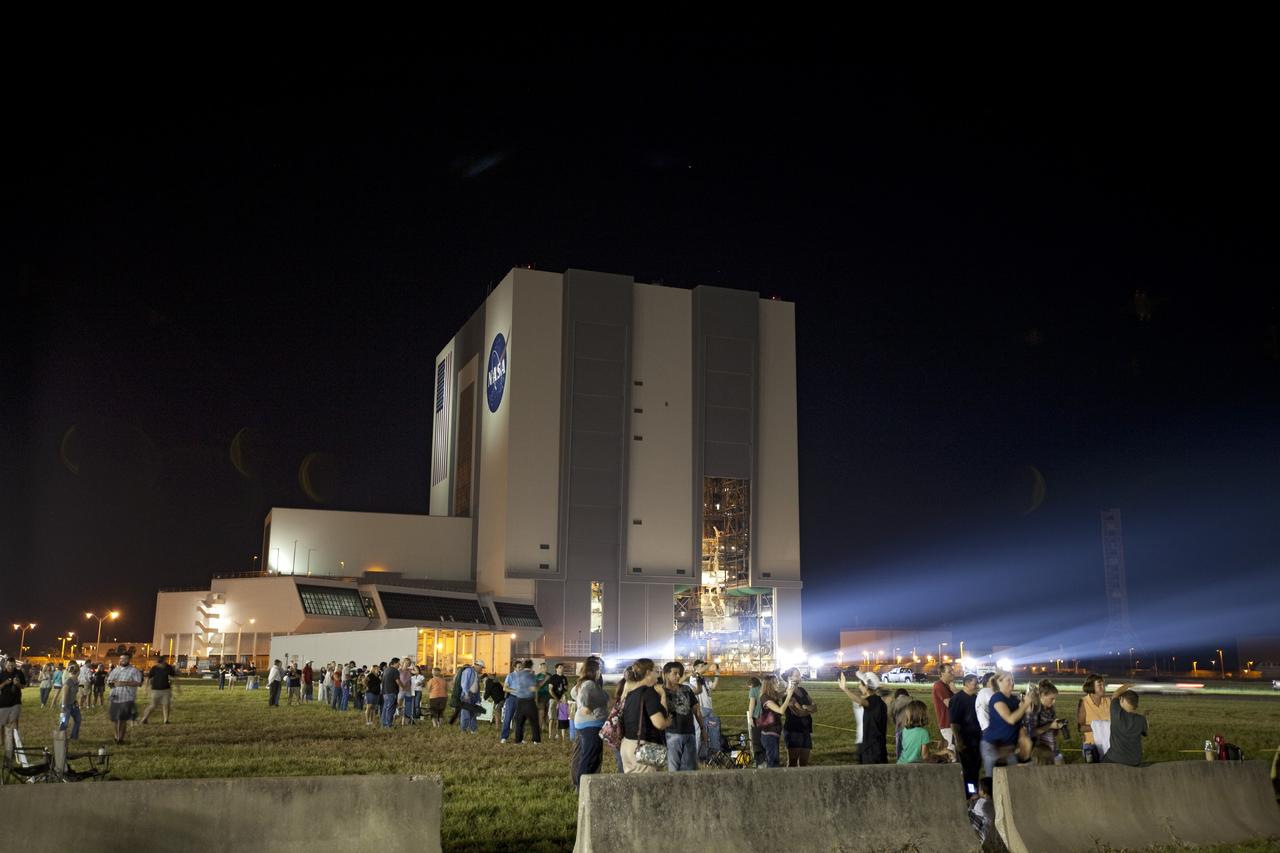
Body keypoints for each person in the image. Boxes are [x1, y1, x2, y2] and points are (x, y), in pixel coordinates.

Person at [619, 659, 668, 773]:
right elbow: (659, 723)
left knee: (632, 786)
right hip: (643, 747)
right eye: (656, 671)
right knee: (647, 788)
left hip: (627, 745)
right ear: (647, 673)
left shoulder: (630, 693)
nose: (658, 674)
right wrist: (663, 696)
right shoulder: (649, 693)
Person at [981, 672, 1030, 778]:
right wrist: (1025, 705)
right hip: (993, 746)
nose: (1012, 683)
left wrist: (1029, 701)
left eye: (1013, 680)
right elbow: (1010, 719)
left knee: (1012, 779)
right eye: (1008, 680)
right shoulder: (997, 698)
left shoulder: (1014, 699)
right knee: (993, 779)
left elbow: (1026, 713)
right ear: (999, 682)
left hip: (1008, 748)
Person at [572, 657, 608, 788]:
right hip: (590, 724)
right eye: (599, 669)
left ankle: (584, 784)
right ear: (594, 670)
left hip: (588, 724)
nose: (600, 672)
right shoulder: (589, 684)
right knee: (589, 756)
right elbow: (583, 696)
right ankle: (581, 786)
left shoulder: (584, 683)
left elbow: (573, 693)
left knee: (589, 754)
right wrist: (585, 706)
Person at [838, 670, 887, 764]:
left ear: (867, 686)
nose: (859, 685)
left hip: (873, 748)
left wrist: (845, 689)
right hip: (872, 746)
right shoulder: (879, 701)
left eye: (860, 683)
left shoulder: (874, 701)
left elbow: (861, 702)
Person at [661, 661, 702, 771]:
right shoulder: (661, 691)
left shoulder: (686, 689)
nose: (678, 676)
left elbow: (696, 709)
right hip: (671, 734)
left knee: (691, 769)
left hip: (689, 733)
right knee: (674, 770)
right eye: (675, 673)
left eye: (680, 673)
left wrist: (703, 729)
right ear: (666, 674)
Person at [949, 674, 983, 797]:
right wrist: (959, 741)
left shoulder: (975, 698)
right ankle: (969, 793)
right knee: (968, 770)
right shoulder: (957, 699)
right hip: (964, 741)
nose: (977, 686)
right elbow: (954, 723)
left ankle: (973, 792)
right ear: (967, 683)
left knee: (975, 768)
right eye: (975, 683)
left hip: (976, 740)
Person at [1023, 680, 1067, 765]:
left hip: (1053, 750)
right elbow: (1031, 733)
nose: (1054, 701)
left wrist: (1057, 726)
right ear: (1042, 695)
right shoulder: (1035, 709)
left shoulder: (1050, 709)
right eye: (1052, 699)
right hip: (1041, 755)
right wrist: (1050, 725)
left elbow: (1052, 733)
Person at [756, 674, 795, 768]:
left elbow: (783, 692)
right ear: (770, 684)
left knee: (774, 760)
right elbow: (780, 710)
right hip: (769, 735)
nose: (778, 684)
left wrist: (790, 685)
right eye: (776, 682)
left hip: (773, 733)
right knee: (773, 763)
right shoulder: (765, 698)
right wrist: (789, 697)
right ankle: (771, 781)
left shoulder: (771, 695)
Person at [1102, 685, 1146, 767]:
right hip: (1135, 761)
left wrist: (1128, 685)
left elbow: (1115, 694)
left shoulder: (1116, 713)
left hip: (1115, 759)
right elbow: (1144, 732)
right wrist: (1144, 716)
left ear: (1122, 700)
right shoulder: (1141, 719)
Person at [781, 667, 817, 766]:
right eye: (796, 675)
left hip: (806, 730)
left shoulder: (802, 690)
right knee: (792, 762)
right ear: (789, 678)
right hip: (794, 731)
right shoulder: (788, 694)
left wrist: (806, 708)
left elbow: (815, 707)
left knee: (804, 763)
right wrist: (809, 709)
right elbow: (798, 713)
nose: (799, 677)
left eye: (799, 675)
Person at [105, 652, 143, 744]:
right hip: (115, 697)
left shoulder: (134, 671)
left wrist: (124, 683)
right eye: (121, 659)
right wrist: (110, 683)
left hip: (126, 698)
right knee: (115, 719)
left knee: (122, 719)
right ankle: (116, 737)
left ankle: (120, 739)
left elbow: (139, 683)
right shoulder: (116, 670)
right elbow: (109, 680)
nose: (122, 660)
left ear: (129, 660)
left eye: (125, 659)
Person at [687, 659, 719, 760]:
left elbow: (713, 686)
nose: (704, 668)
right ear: (695, 668)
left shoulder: (705, 678)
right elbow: (699, 672)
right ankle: (694, 756)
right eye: (701, 666)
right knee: (698, 732)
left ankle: (705, 755)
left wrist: (717, 674)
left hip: (709, 707)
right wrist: (711, 663)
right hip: (700, 708)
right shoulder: (693, 677)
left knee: (709, 733)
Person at [1077, 673, 1112, 762]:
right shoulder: (1083, 702)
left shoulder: (1109, 701)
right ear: (1091, 687)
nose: (1103, 687)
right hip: (1091, 745)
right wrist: (1101, 726)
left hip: (1108, 744)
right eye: (1099, 685)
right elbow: (1080, 728)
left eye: (1103, 685)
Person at [511, 660, 541, 744]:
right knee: (534, 721)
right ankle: (536, 740)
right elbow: (533, 688)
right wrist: (538, 685)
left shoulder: (518, 674)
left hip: (519, 700)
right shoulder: (531, 675)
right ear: (531, 666)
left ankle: (518, 740)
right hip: (529, 701)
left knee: (519, 722)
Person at [1, 657, 28, 752]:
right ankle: (3, 742)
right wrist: (5, 683)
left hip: (16, 702)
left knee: (13, 723)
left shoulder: (19, 673)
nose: (11, 667)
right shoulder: (2, 674)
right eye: (9, 665)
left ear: (15, 665)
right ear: (5, 664)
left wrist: (18, 684)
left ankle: (14, 743)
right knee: (2, 724)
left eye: (12, 665)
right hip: (3, 703)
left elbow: (24, 686)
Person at [140, 655, 176, 724]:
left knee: (166, 705)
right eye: (159, 663)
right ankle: (144, 719)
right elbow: (148, 678)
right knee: (153, 705)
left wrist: (175, 686)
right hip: (155, 690)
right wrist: (146, 688)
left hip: (166, 689)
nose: (159, 664)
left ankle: (166, 720)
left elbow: (173, 677)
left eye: (160, 663)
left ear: (163, 662)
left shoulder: (169, 668)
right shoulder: (154, 668)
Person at [933, 663, 958, 757]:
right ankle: (930, 758)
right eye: (949, 672)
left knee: (954, 749)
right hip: (947, 724)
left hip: (952, 723)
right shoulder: (939, 685)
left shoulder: (948, 686)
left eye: (952, 671)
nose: (953, 673)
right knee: (953, 751)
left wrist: (955, 691)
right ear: (942, 674)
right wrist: (955, 691)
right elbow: (950, 704)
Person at [457, 660, 484, 733]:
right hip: (467, 695)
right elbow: (464, 683)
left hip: (474, 696)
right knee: (465, 713)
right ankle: (463, 730)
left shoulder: (476, 674)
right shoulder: (468, 671)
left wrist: (478, 699)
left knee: (473, 713)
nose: (482, 669)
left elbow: (477, 687)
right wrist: (466, 694)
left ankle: (473, 729)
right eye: (481, 667)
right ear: (477, 665)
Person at [59, 663, 82, 740]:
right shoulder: (68, 682)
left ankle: (74, 736)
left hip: (73, 704)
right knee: (64, 722)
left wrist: (75, 701)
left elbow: (74, 693)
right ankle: (61, 737)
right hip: (65, 704)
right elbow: (64, 695)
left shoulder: (76, 682)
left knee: (78, 719)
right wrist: (63, 707)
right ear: (78, 672)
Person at [499, 662, 521, 743]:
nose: (520, 668)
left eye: (521, 667)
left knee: (519, 719)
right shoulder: (510, 676)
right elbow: (505, 688)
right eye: (518, 667)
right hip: (512, 698)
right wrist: (515, 690)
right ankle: (504, 737)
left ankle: (519, 738)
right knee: (508, 718)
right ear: (514, 668)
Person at [746, 676, 764, 766]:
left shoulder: (753, 690)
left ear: (751, 684)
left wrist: (750, 717)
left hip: (757, 717)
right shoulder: (764, 688)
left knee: (756, 740)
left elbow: (752, 705)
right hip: (767, 717)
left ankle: (759, 762)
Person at [547, 662, 569, 739]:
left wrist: (564, 693)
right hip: (553, 699)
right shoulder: (553, 677)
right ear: (556, 669)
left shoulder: (564, 678)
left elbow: (566, 689)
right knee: (552, 718)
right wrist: (556, 699)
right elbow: (550, 690)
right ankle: (550, 735)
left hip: (561, 700)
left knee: (559, 718)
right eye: (560, 667)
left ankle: (557, 734)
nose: (562, 669)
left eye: (562, 667)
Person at [891, 688, 912, 758]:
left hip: (899, 727)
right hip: (911, 728)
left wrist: (896, 723)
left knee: (899, 749)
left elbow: (892, 715)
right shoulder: (912, 700)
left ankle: (899, 763)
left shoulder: (895, 702)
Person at [380, 659, 400, 728]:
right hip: (391, 692)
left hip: (385, 692)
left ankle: (384, 723)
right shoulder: (395, 671)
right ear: (394, 663)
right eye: (398, 663)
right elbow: (397, 681)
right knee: (390, 708)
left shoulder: (386, 670)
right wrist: (403, 686)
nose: (399, 665)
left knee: (385, 707)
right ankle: (388, 724)